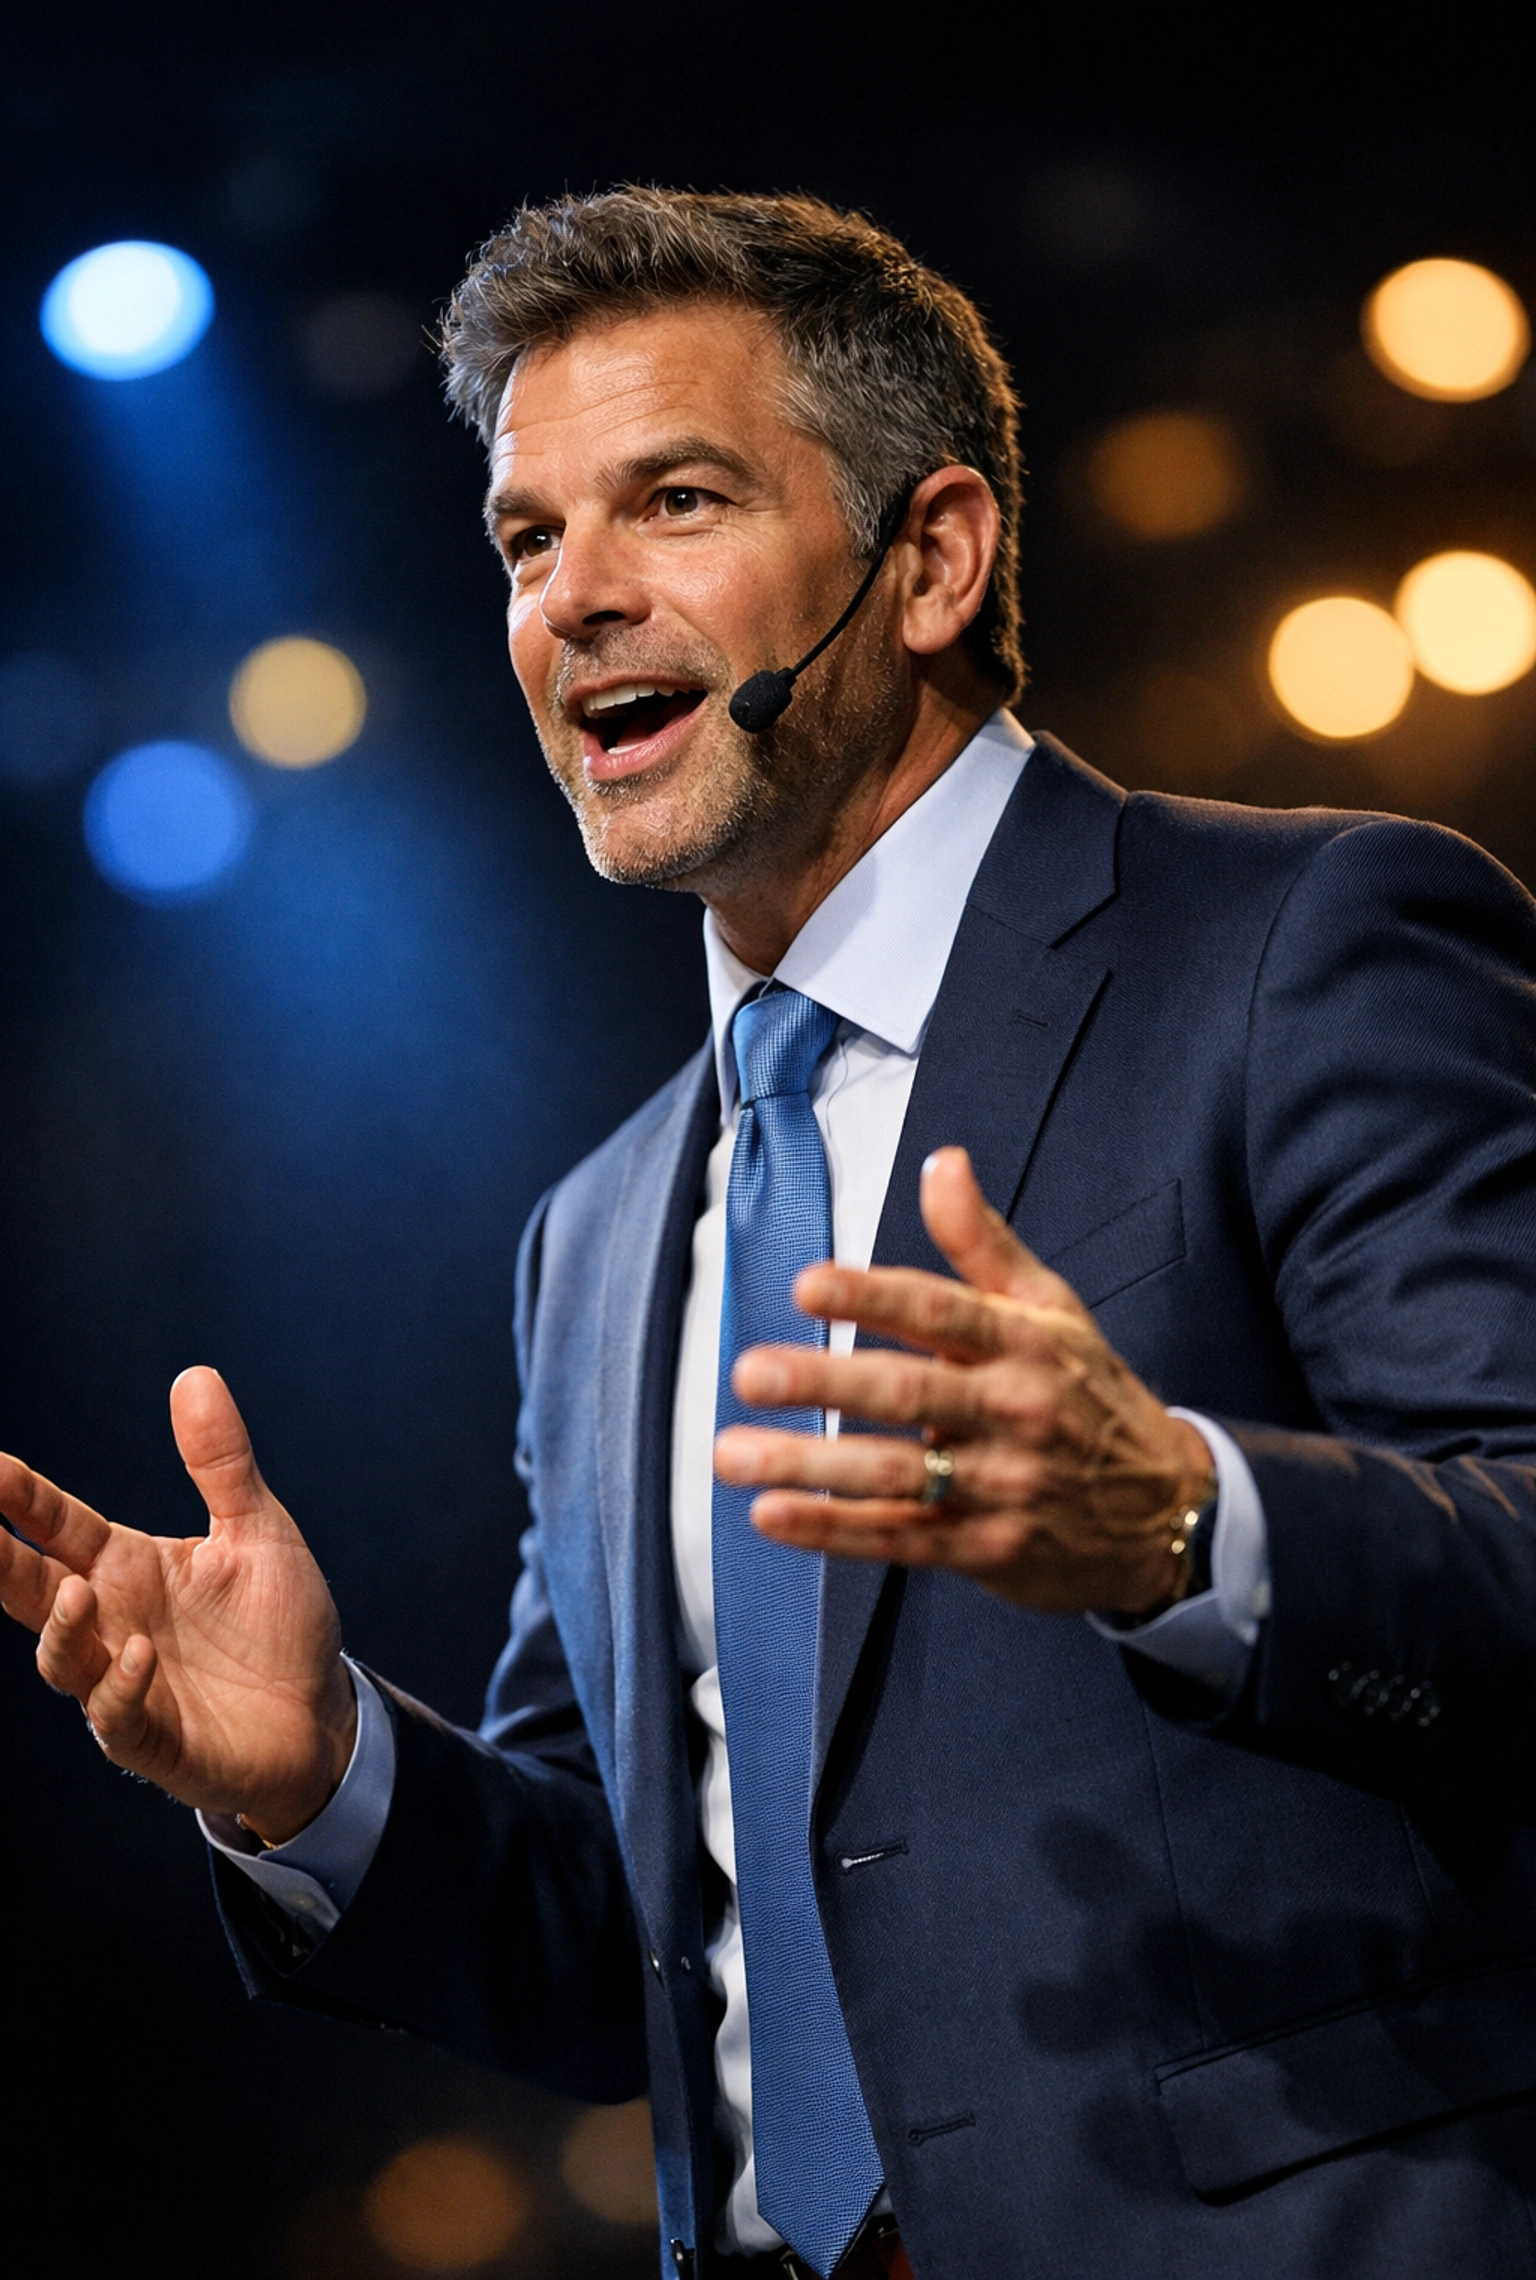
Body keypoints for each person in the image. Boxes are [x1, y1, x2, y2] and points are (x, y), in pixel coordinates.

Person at [5, 188, 1536, 2280]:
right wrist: (326, 1776)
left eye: (677, 501)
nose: (578, 600)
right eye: (530, 542)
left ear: (931, 560)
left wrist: (1188, 1523)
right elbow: (615, 1952)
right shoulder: (600, 1232)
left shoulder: (1304, 947)